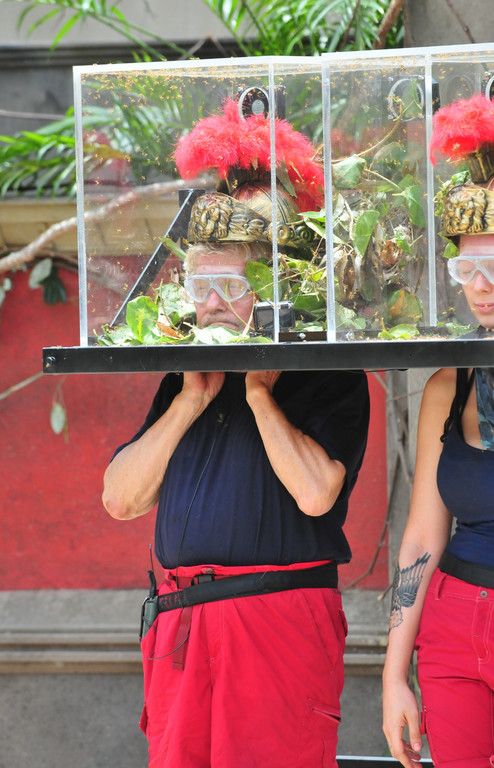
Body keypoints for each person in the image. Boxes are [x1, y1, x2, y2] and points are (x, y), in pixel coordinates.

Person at [102, 98, 370, 768]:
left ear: (275, 283)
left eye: (229, 284)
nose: (212, 303)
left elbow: (316, 494)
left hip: (276, 623)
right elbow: (119, 498)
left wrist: (258, 394)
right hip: (182, 624)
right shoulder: (185, 378)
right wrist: (190, 401)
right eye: (201, 286)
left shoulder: (329, 372)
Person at [382, 94, 494, 768]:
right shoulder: (447, 387)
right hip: (453, 629)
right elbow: (423, 537)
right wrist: (394, 675)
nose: (482, 287)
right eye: (467, 269)